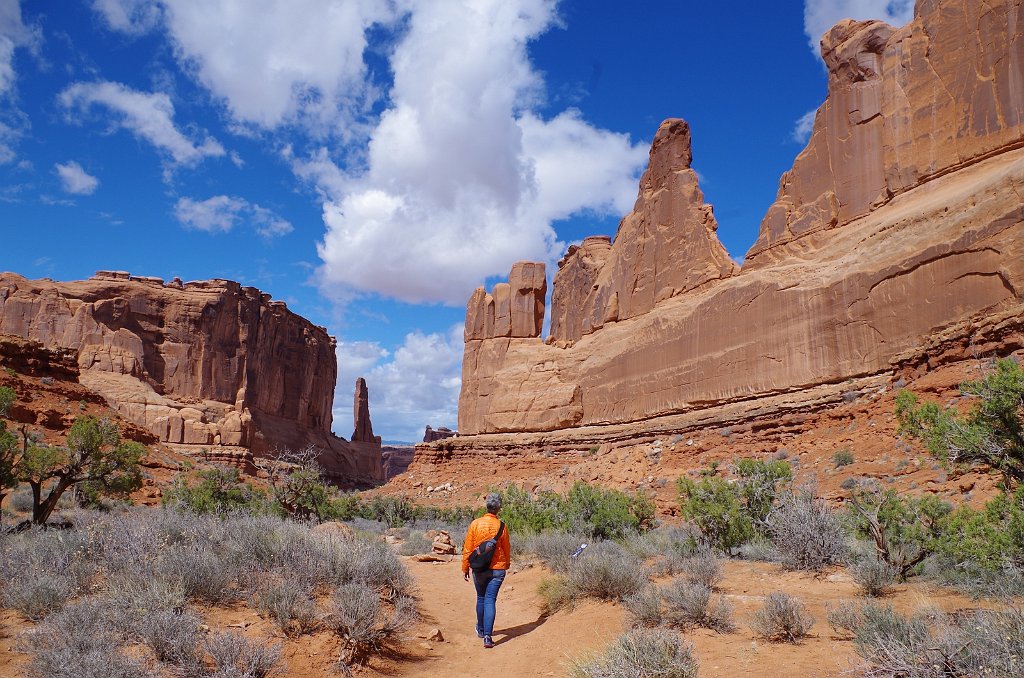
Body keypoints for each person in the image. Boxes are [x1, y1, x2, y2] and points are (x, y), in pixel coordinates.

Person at [462, 492, 511, 648]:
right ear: (499, 508)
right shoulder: (502, 526)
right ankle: (488, 638)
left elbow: (468, 548)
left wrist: (465, 567)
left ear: (487, 506)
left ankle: (481, 630)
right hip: (497, 569)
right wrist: (506, 564)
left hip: (479, 568)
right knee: (490, 600)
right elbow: (506, 548)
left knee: (481, 598)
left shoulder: (475, 524)